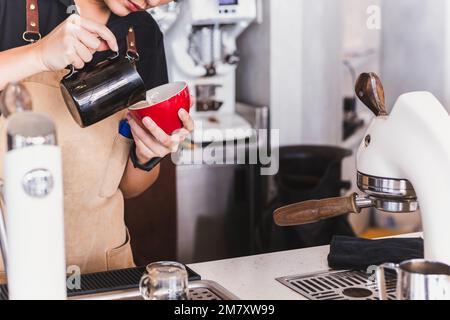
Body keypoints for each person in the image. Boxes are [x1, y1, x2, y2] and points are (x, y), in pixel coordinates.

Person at [0, 0, 193, 283]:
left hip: (101, 266)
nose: (151, 1)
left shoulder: (144, 33)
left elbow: (129, 187)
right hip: (9, 268)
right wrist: (39, 54)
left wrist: (148, 156)